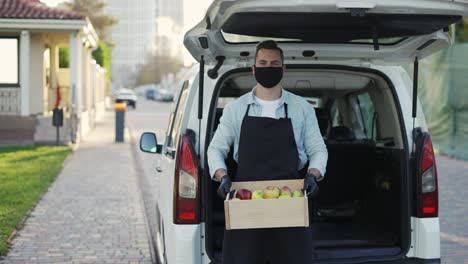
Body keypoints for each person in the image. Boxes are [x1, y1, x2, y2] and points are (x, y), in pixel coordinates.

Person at [207, 40, 328, 264]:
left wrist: (313, 174)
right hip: (246, 202)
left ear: (283, 69)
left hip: (291, 201)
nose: (268, 67)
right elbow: (216, 149)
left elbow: (318, 150)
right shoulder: (236, 109)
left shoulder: (302, 107)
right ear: (254, 68)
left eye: (274, 63)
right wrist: (222, 177)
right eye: (262, 62)